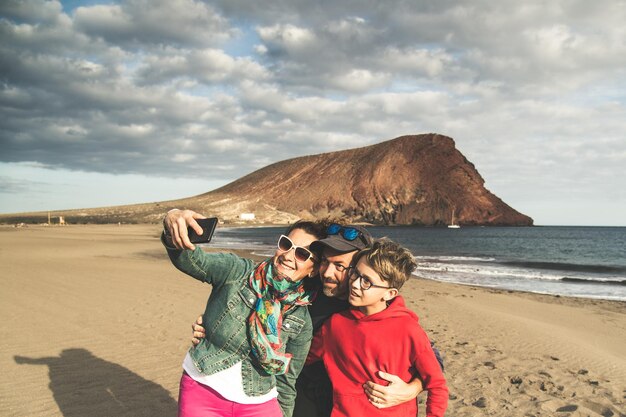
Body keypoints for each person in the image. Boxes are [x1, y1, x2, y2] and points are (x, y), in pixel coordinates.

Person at [193, 223, 441, 416]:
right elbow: (255, 300)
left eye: (340, 266)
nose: (328, 273)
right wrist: (215, 327)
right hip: (298, 393)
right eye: (324, 262)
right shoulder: (303, 291)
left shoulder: (374, 305)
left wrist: (412, 389)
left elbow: (430, 355)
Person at [163, 209, 327, 417]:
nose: (288, 256)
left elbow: (287, 381)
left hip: (260, 403)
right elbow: (193, 261)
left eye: (301, 254)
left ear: (313, 270)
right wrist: (173, 222)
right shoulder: (237, 271)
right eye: (286, 245)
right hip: (203, 389)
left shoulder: (301, 320)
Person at [306, 239, 448, 417]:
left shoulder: (408, 329)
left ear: (390, 293)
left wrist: (414, 389)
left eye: (366, 282)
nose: (355, 284)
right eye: (355, 274)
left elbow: (437, 386)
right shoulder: (334, 325)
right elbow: (300, 359)